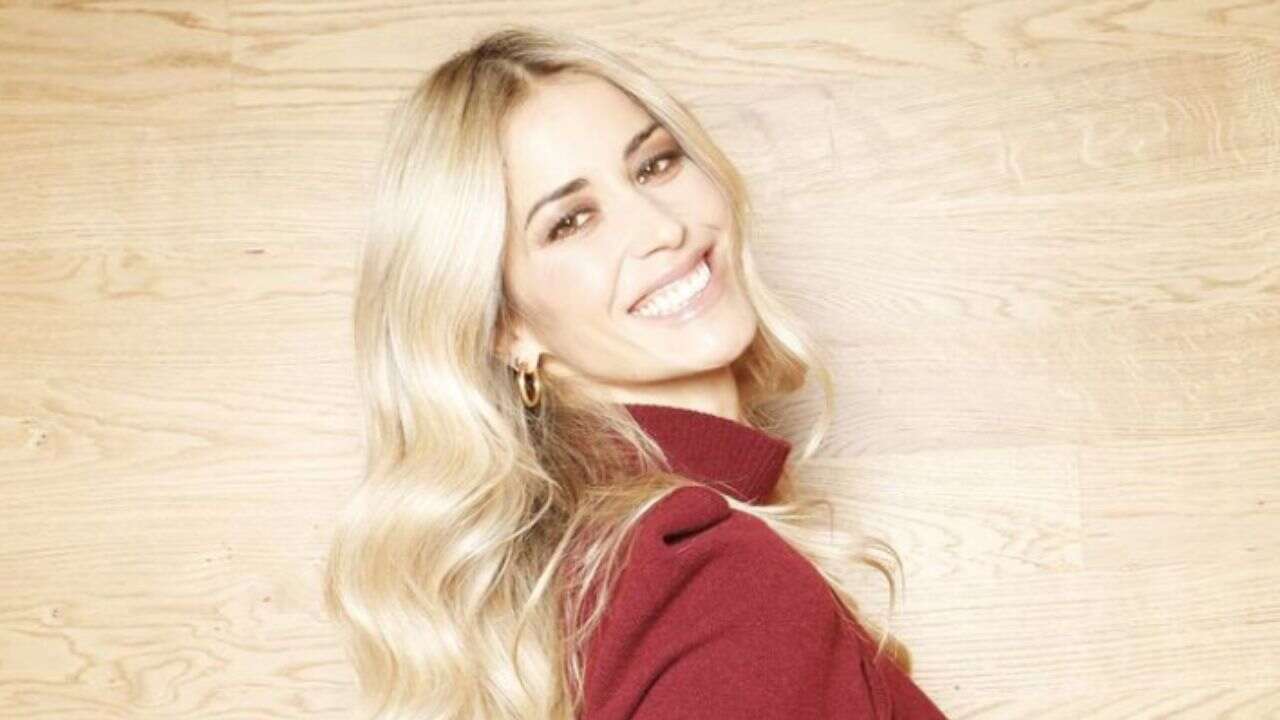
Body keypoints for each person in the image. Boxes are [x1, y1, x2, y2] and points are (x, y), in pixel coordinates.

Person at [324, 24, 950, 720]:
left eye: (655, 165)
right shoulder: (711, 578)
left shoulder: (598, 582)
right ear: (506, 327)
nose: (662, 228)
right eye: (571, 221)